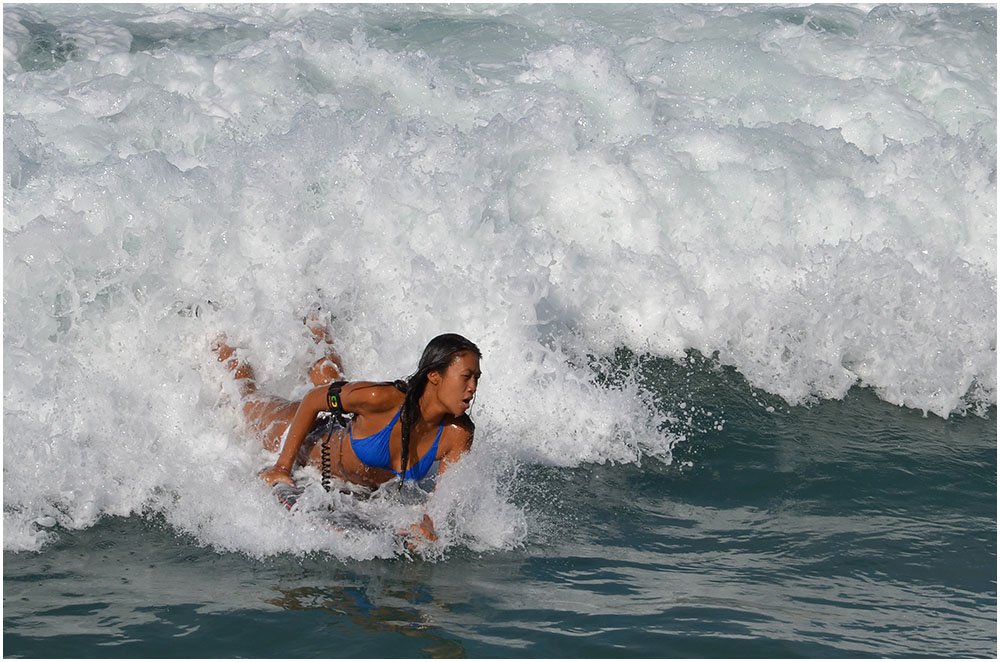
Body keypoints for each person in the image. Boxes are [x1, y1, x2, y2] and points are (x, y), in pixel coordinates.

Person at [212, 320, 482, 543]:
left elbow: (443, 499)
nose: (472, 386)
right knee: (247, 400)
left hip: (352, 435)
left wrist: (428, 524)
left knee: (335, 380)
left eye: (476, 379)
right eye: (466, 376)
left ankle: (316, 319)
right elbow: (314, 400)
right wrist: (282, 466)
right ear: (434, 375)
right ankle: (217, 330)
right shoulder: (381, 398)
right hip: (312, 439)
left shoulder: (457, 434)